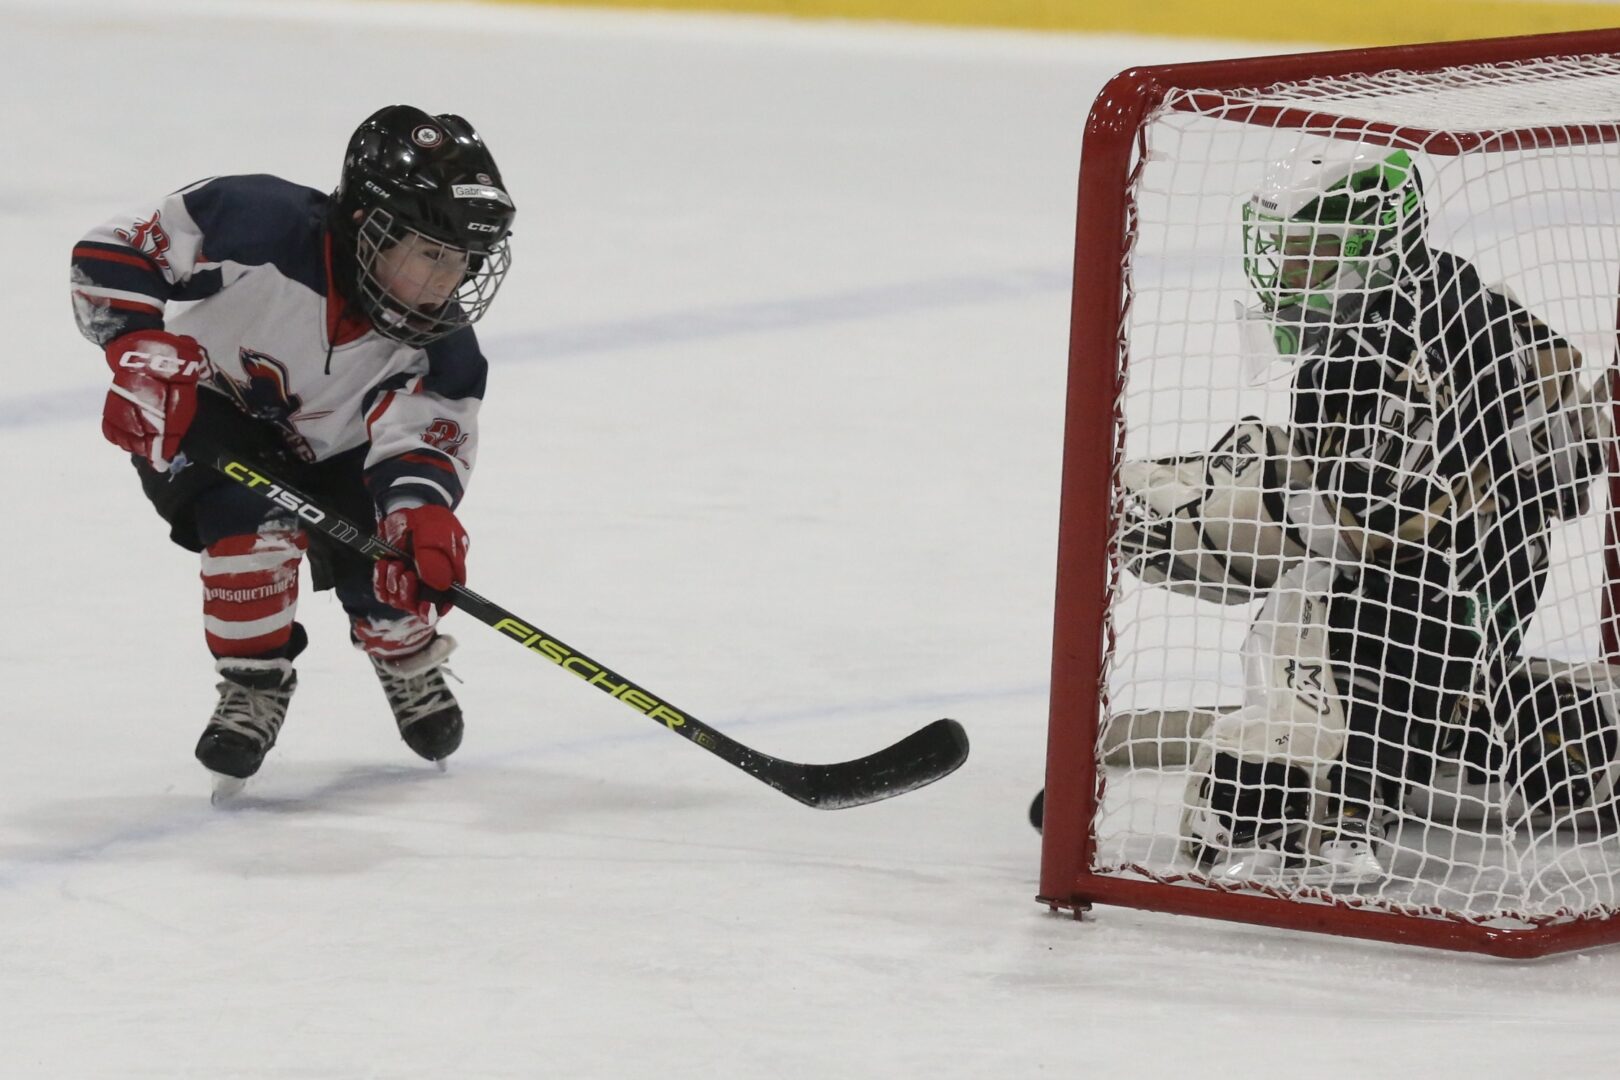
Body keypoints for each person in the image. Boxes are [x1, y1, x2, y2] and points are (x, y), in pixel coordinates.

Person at [1115, 145, 1615, 882]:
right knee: (1418, 684)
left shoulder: (1385, 345)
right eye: (1282, 253)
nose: (1286, 276)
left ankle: (1302, 803)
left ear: (1372, 248)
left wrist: (1221, 517)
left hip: (1442, 596)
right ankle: (1551, 727)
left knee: (1305, 606)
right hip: (1483, 582)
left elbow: (1383, 528)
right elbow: (1560, 382)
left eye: (1309, 255)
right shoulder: (1444, 292)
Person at [69, 105, 516, 792]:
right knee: (250, 529)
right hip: (206, 410)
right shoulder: (255, 220)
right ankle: (254, 683)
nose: (442, 282)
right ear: (371, 225)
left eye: (459, 261)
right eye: (428, 252)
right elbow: (116, 248)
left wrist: (420, 514)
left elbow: (422, 441)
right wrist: (136, 346)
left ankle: (404, 650)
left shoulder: (441, 345)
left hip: (344, 453)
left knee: (390, 567)